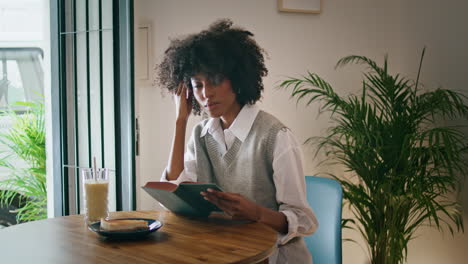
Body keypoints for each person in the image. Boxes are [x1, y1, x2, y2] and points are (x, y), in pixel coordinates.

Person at [156, 19, 318, 263]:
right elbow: (175, 197)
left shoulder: (276, 136)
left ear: (238, 78)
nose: (206, 93)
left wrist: (256, 213)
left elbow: (304, 220)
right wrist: (180, 121)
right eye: (197, 85)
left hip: (274, 258)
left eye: (215, 80)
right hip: (227, 254)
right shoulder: (201, 135)